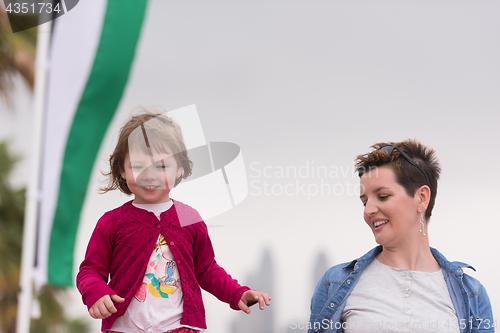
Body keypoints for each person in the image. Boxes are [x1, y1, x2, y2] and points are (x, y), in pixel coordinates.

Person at [77, 110, 271, 333]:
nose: (149, 176)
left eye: (161, 166)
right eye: (138, 166)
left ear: (179, 168)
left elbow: (206, 268)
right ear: (122, 169)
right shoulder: (112, 222)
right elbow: (90, 270)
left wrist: (237, 293)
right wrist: (96, 292)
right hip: (125, 327)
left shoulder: (189, 218)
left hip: (179, 327)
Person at [308, 139, 494, 333]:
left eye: (382, 196)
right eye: (364, 202)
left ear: (422, 198)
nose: (368, 210)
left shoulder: (472, 294)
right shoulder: (334, 284)